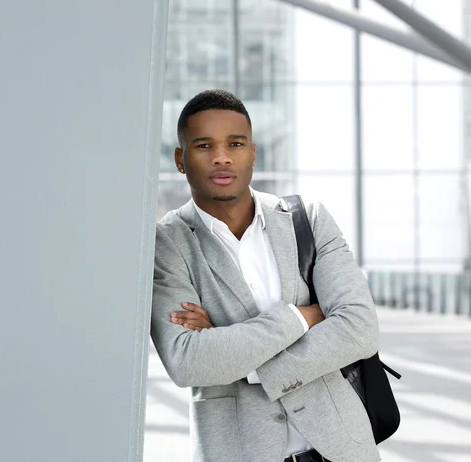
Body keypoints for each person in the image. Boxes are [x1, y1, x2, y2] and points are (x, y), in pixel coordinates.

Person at [150, 89, 380, 462]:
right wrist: (303, 316)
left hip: (341, 450)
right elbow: (189, 361)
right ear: (180, 158)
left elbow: (359, 329)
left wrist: (232, 352)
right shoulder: (167, 243)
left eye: (235, 143)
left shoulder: (308, 219)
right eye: (204, 145)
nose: (222, 157)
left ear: (253, 153)